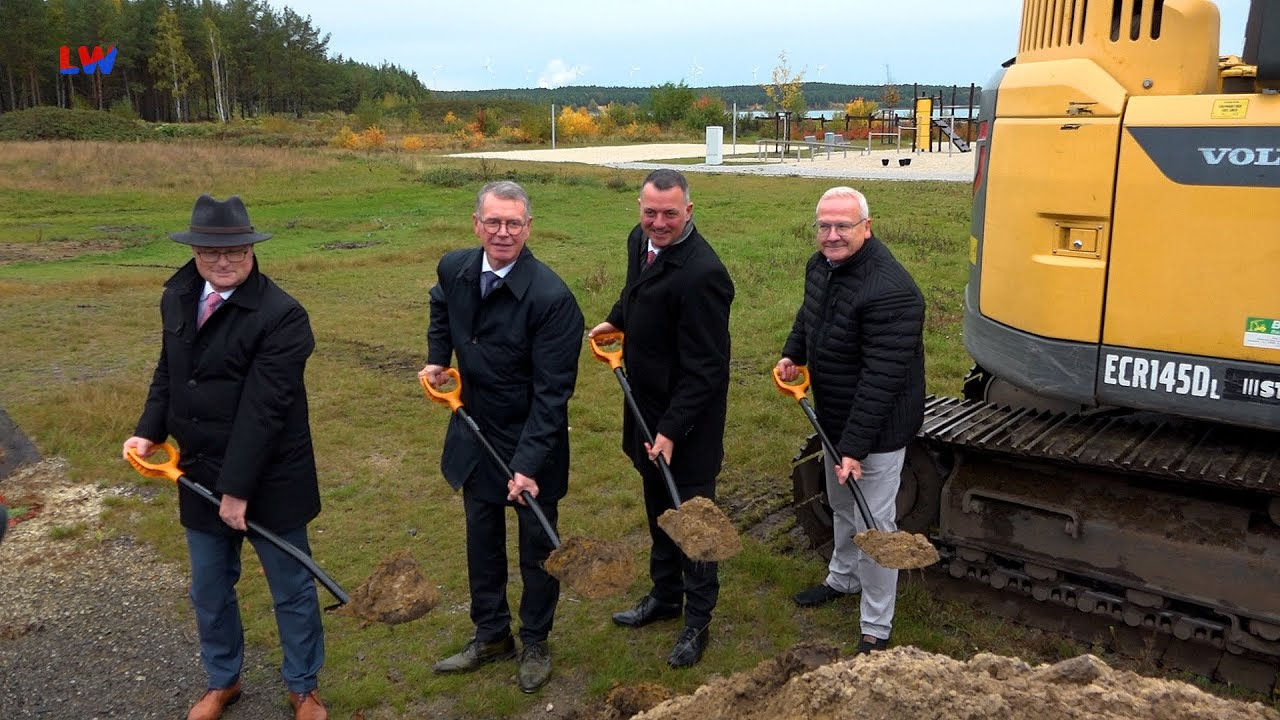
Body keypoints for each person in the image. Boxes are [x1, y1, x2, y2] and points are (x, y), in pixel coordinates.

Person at [122, 195, 328, 720]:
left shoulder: (283, 316)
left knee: (291, 589)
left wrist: (237, 491)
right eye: (211, 252)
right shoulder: (177, 296)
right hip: (199, 470)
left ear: (252, 250)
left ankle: (303, 687)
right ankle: (223, 680)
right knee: (209, 589)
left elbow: (265, 410)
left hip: (273, 476)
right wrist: (149, 431)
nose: (223, 262)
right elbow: (169, 370)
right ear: (194, 252)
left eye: (235, 251)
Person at [420, 180, 583, 694]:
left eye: (513, 223)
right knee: (482, 541)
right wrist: (438, 357)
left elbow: (553, 395)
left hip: (534, 439)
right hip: (475, 434)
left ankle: (535, 640)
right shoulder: (455, 268)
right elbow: (440, 303)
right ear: (477, 224)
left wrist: (528, 465)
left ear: (528, 227)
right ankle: (491, 635)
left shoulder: (553, 299)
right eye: (493, 221)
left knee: (538, 549)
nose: (503, 232)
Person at [588, 169, 734, 668]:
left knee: (695, 521)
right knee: (657, 507)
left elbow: (708, 368)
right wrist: (616, 319)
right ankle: (666, 596)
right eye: (650, 212)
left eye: (670, 214)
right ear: (640, 208)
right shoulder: (640, 240)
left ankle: (698, 621)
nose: (659, 222)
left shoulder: (704, 274)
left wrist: (671, 430)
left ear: (688, 211)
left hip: (688, 422)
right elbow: (635, 289)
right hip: (644, 407)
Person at [775, 186, 925, 654]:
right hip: (836, 415)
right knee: (840, 505)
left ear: (867, 227)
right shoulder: (822, 265)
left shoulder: (891, 291)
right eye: (824, 225)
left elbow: (882, 380)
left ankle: (876, 626)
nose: (832, 235)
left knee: (875, 526)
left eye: (843, 225)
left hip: (877, 428)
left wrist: (855, 449)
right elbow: (811, 313)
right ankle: (843, 579)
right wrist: (794, 353)